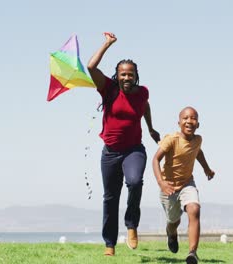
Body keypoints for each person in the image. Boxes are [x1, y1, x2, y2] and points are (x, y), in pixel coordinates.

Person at [87, 32, 160, 256]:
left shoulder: (142, 92)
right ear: (117, 76)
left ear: (136, 76)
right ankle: (109, 244)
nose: (127, 78)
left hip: (133, 150)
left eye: (130, 74)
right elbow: (90, 67)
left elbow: (145, 106)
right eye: (123, 74)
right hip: (110, 153)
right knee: (110, 197)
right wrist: (107, 44)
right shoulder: (108, 89)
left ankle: (131, 225)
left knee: (135, 182)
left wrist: (150, 128)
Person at [152, 106, 215, 264]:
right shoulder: (171, 139)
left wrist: (206, 168)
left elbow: (198, 152)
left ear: (198, 124)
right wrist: (161, 182)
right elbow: (155, 160)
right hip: (169, 187)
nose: (189, 121)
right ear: (179, 122)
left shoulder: (197, 140)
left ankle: (192, 253)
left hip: (187, 183)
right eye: (185, 118)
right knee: (174, 222)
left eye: (193, 118)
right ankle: (171, 233)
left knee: (194, 209)